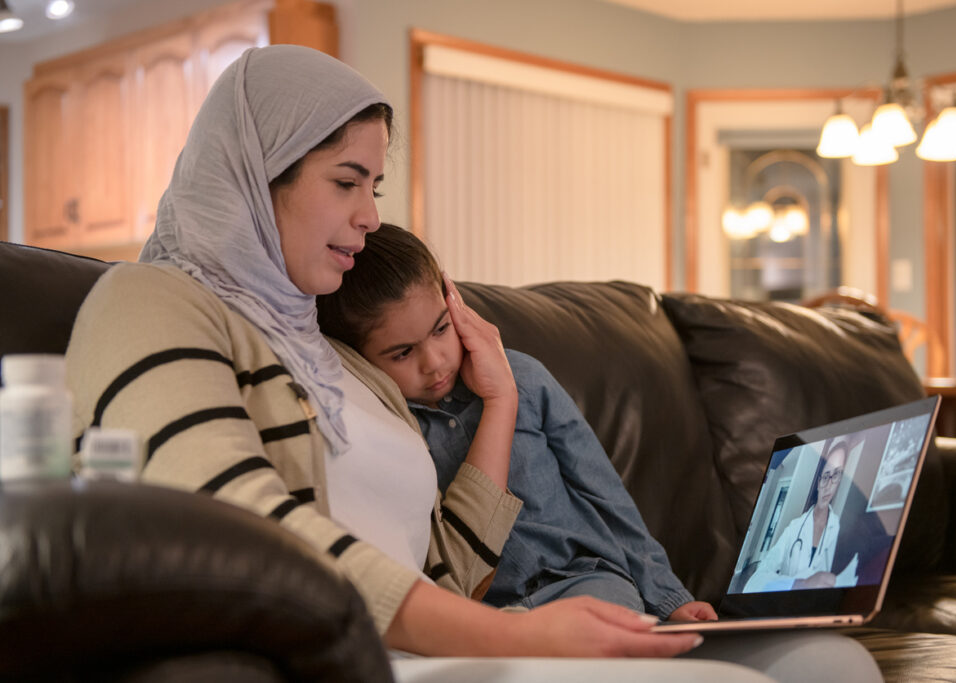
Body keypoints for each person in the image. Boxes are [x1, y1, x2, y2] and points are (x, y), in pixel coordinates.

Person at [63, 44, 880, 682]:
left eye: (376, 184)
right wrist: (522, 634)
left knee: (828, 661)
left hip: (452, 645)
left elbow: (446, 570)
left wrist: (496, 404)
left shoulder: (331, 355)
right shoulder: (150, 302)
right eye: (347, 181)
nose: (368, 216)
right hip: (355, 663)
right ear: (253, 172)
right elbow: (243, 535)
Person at [315, 223, 717, 623]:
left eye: (442, 329)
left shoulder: (524, 378)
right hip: (486, 611)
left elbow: (607, 497)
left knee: (609, 623)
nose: (434, 362)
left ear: (454, 304)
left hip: (583, 581)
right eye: (402, 353)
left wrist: (669, 597)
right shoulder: (386, 427)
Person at [744, 440, 850, 593]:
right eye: (826, 476)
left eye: (837, 474)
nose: (829, 485)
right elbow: (753, 583)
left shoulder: (840, 529)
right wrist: (799, 584)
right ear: (819, 482)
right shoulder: (794, 528)